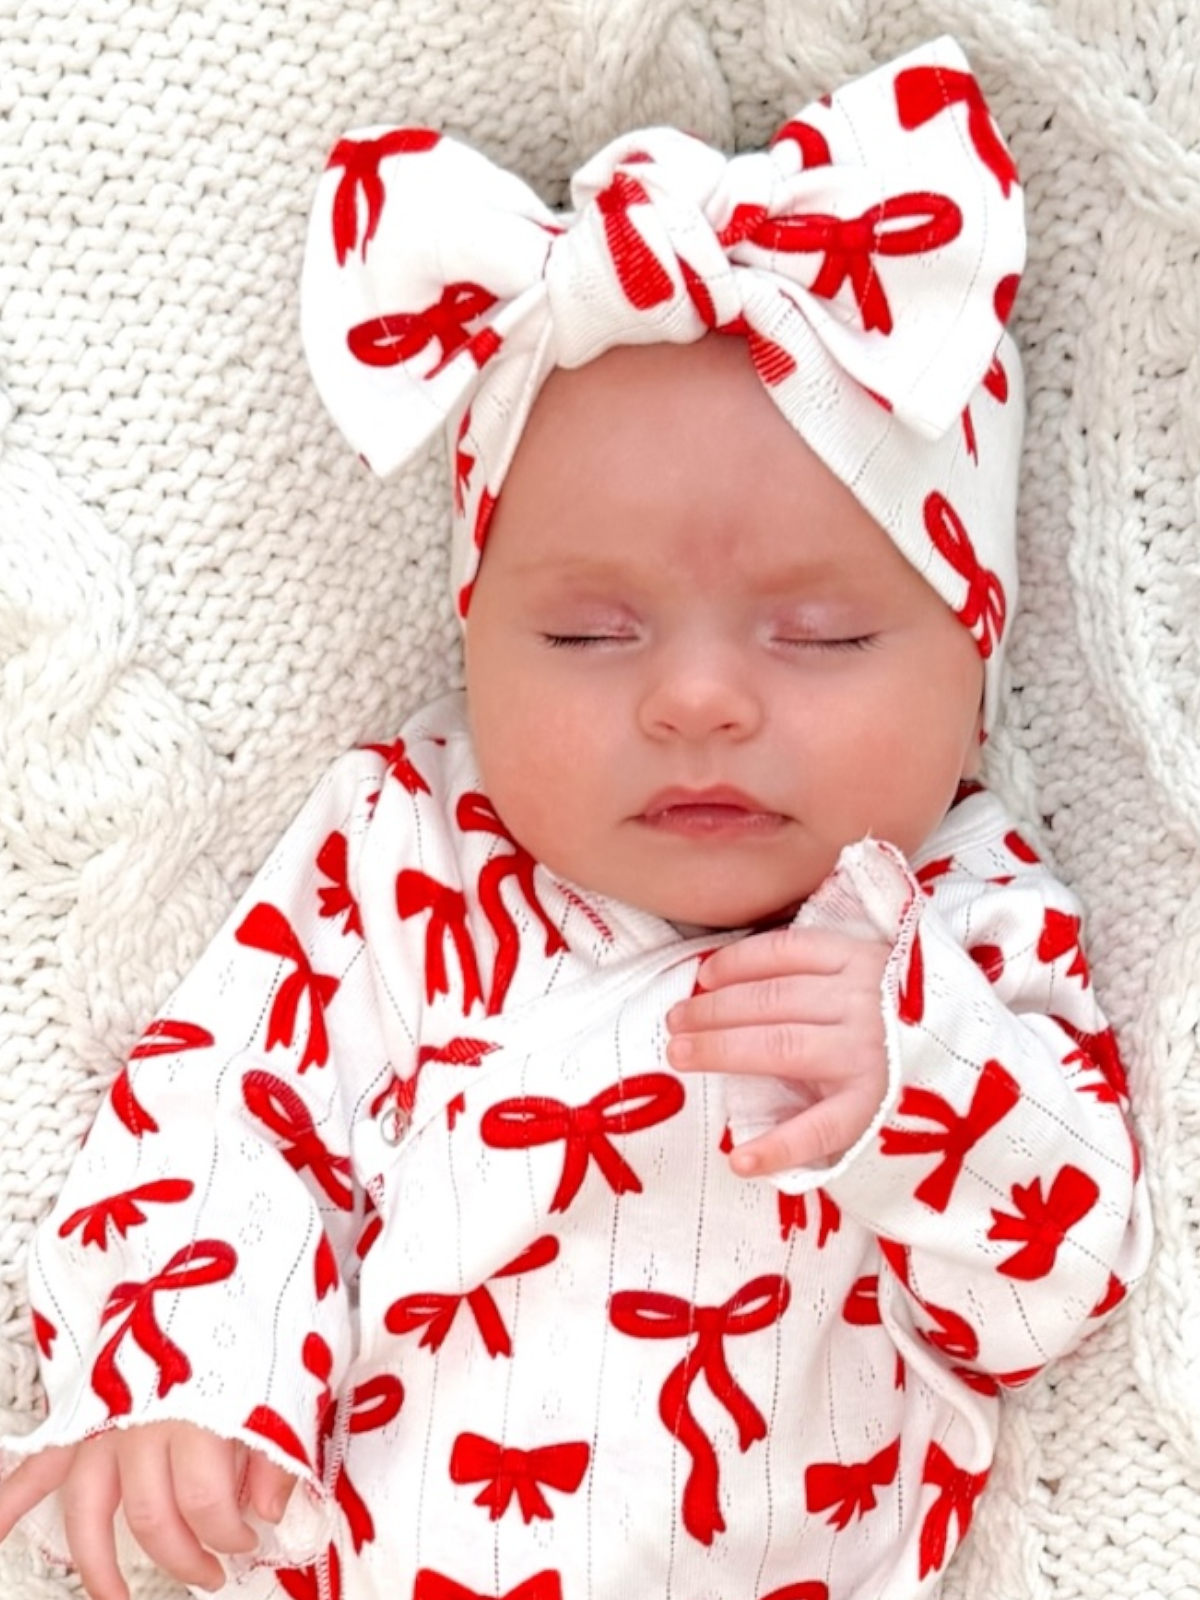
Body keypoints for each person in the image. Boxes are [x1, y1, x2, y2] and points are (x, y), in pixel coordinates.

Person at [0, 34, 1151, 1600]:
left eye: (816, 636)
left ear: (974, 654)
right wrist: (185, 1371)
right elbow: (229, 1104)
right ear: (473, 638)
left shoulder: (960, 922)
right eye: (589, 637)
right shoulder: (411, 853)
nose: (694, 702)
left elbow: (1056, 1286)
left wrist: (925, 1075)